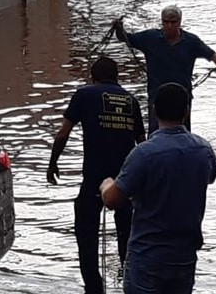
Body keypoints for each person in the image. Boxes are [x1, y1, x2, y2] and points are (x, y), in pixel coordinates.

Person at [99, 83, 216, 294]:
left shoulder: (143, 154)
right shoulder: (204, 151)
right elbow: (210, 178)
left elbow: (112, 200)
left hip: (147, 256)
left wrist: (106, 184)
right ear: (186, 111)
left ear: (154, 111)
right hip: (184, 256)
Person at [47, 57, 146, 294]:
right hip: (125, 180)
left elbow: (62, 134)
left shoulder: (84, 95)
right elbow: (143, 146)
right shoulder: (131, 101)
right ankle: (129, 282)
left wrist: (52, 164)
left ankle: (93, 286)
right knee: (127, 234)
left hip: (94, 178)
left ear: (93, 76)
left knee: (86, 232)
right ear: (117, 77)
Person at [112, 6, 216, 132]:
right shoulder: (150, 38)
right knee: (155, 132)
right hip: (157, 96)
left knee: (183, 133)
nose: (169, 26)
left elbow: (213, 55)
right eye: (166, 22)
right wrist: (118, 28)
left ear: (180, 21)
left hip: (182, 97)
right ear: (162, 21)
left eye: (173, 22)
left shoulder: (191, 42)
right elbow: (126, 38)